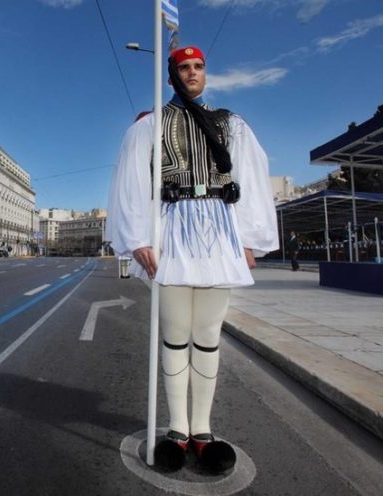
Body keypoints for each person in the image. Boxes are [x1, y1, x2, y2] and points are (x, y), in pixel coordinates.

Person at [108, 45, 278, 473]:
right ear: (171, 76)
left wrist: (249, 239)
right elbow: (132, 179)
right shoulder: (150, 125)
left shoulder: (231, 124)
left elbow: (251, 178)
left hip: (219, 230)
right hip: (172, 231)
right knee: (176, 333)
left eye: (198, 67)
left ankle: (202, 429)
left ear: (207, 73)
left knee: (207, 334)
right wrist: (139, 236)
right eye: (183, 68)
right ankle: (177, 429)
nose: (192, 73)